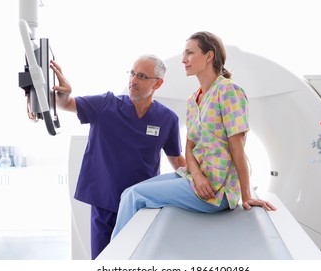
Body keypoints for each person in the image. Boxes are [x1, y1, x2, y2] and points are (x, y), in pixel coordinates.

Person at [111, 31, 276, 240]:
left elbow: (237, 147)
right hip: (194, 179)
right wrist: (197, 176)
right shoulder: (194, 100)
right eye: (183, 53)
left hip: (216, 191)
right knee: (128, 193)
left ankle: (115, 265)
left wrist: (246, 196)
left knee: (135, 196)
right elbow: (189, 147)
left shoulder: (228, 91)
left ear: (209, 56)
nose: (183, 59)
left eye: (189, 53)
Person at [50, 55, 186, 259]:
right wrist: (63, 95)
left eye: (141, 76)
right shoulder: (106, 105)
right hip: (105, 202)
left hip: (140, 205)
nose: (133, 80)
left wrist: (200, 184)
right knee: (104, 262)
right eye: (132, 73)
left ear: (157, 83)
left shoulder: (167, 119)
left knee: (135, 260)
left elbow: (177, 161)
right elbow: (67, 104)